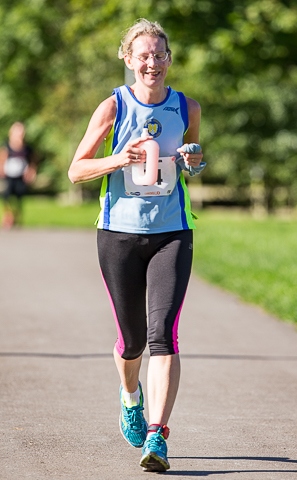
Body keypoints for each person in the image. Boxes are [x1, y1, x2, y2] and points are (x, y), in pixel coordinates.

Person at [68, 18, 205, 472]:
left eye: (160, 54)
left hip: (172, 233)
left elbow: (192, 159)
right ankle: (131, 395)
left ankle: (157, 436)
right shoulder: (113, 107)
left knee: (162, 336)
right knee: (131, 344)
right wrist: (117, 158)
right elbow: (75, 169)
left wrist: (194, 160)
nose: (153, 63)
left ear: (169, 59)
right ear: (128, 59)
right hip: (119, 234)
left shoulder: (187, 107)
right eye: (143, 55)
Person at [0, 122, 37, 229]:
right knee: (6, 197)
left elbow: (33, 161)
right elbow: (2, 159)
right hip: (8, 176)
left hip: (20, 177)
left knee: (19, 197)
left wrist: (31, 172)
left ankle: (16, 216)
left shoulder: (27, 148)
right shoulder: (7, 146)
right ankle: (8, 216)